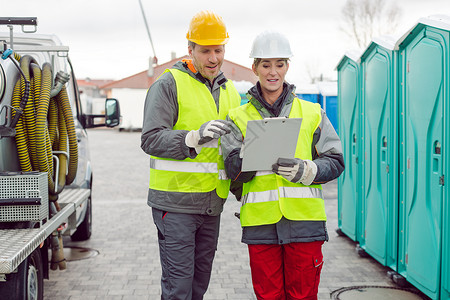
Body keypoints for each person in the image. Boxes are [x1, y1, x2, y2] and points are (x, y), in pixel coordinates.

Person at [221, 31, 345, 300]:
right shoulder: (238, 117)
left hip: (305, 224)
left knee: (303, 296)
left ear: (288, 66)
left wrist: (308, 170)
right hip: (260, 225)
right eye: (266, 65)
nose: (272, 72)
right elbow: (231, 169)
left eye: (279, 64)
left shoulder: (312, 112)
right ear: (255, 67)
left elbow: (335, 160)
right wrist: (250, 157)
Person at [140, 10, 241, 300]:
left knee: (198, 286)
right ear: (190, 50)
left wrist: (243, 188)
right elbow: (150, 138)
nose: (213, 58)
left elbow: (231, 149)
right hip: (175, 205)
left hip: (211, 205)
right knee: (179, 289)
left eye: (218, 50)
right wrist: (193, 138)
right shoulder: (168, 84)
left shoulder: (230, 90)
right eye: (205, 50)